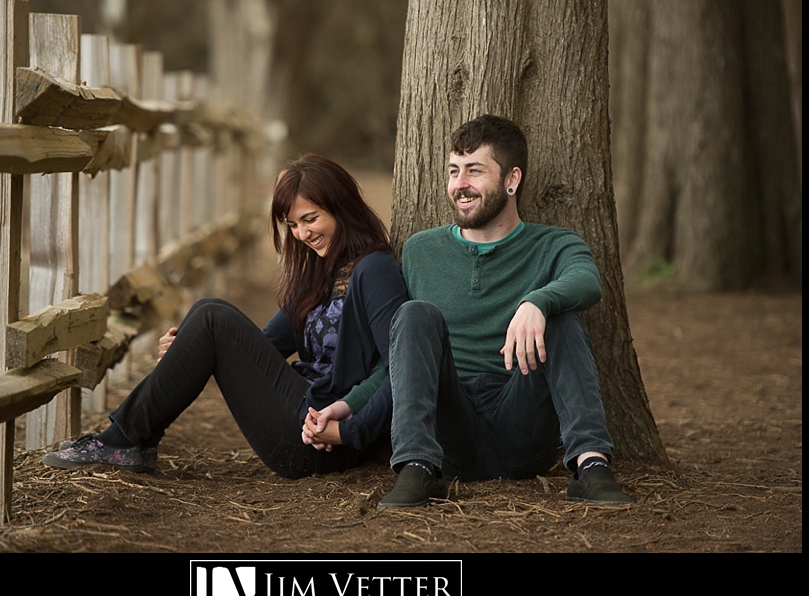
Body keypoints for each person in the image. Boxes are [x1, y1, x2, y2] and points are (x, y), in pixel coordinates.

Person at [44, 153, 408, 479]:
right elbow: (258, 352)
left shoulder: (375, 270)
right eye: (293, 225)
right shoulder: (317, 274)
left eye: (310, 219)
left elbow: (400, 366)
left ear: (341, 208)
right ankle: (132, 442)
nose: (302, 234)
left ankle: (122, 440)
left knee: (211, 317)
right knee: (206, 316)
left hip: (321, 437)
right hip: (300, 410)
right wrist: (187, 350)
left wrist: (350, 428)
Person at [377, 114, 632, 509]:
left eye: (474, 171)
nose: (459, 185)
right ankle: (416, 467)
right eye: (454, 171)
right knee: (414, 314)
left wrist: (538, 301)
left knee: (563, 318)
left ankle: (592, 466)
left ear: (512, 180)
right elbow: (401, 352)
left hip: (521, 422)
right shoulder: (419, 251)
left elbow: (587, 281)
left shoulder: (554, 244)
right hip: (450, 432)